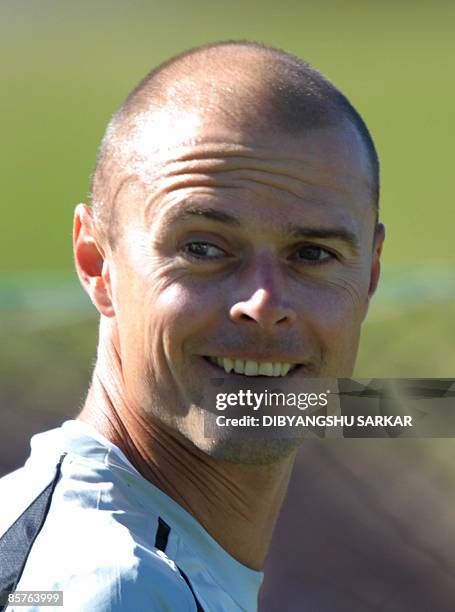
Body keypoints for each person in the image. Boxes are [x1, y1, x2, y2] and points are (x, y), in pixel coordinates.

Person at [0, 40, 384, 611]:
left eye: (313, 254)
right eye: (203, 248)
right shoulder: (111, 586)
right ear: (96, 263)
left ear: (371, 273)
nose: (264, 303)